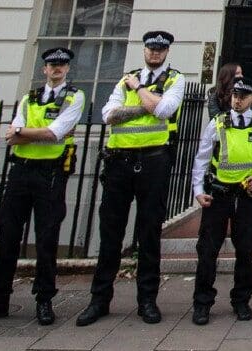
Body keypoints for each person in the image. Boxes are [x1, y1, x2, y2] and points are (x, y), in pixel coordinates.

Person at [0, 47, 85, 326]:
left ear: (67, 69)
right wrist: (29, 133)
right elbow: (12, 136)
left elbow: (55, 133)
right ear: (44, 69)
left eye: (62, 65)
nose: (56, 68)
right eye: (52, 65)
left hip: (51, 174)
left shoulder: (74, 96)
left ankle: (44, 300)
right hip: (20, 172)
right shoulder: (29, 98)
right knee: (7, 237)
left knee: (46, 239)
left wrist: (25, 133)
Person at [78, 30, 185, 326]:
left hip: (154, 161)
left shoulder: (174, 79)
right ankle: (99, 300)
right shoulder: (126, 78)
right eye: (151, 48)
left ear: (167, 52)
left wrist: (138, 90)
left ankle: (147, 301)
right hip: (118, 162)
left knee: (149, 233)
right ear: (145, 50)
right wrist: (145, 103)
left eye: (160, 49)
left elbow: (164, 110)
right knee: (110, 232)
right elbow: (108, 115)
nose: (155, 53)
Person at [189, 77, 252, 325]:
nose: (237, 100)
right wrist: (197, 189)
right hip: (219, 192)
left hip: (247, 194)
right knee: (208, 250)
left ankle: (241, 301)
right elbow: (202, 158)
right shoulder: (217, 123)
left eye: (243, 96)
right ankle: (202, 303)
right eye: (235, 95)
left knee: (246, 249)